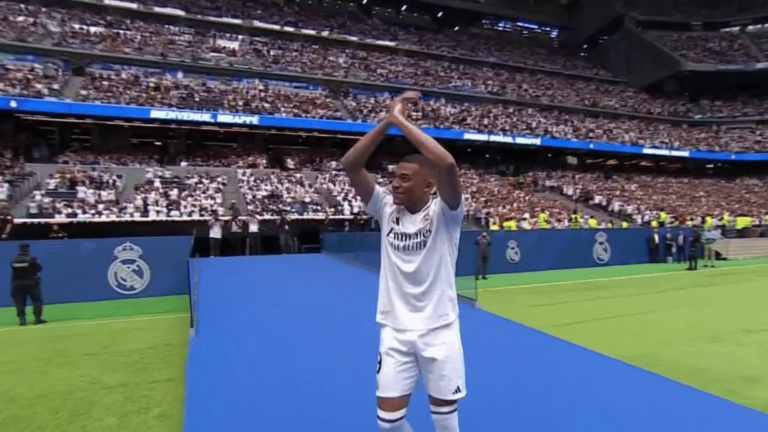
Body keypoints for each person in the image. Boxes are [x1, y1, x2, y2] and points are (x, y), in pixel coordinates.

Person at [342, 91, 465, 432]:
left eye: (404, 178)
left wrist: (403, 122)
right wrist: (386, 121)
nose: (394, 183)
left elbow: (448, 165)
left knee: (445, 424)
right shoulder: (384, 207)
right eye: (393, 177)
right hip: (394, 330)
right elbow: (351, 165)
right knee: (388, 424)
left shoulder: (446, 213)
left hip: (439, 330)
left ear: (429, 185)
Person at [10, 243, 45, 326]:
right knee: (36, 300)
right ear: (27, 249)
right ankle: (37, 318)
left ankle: (22, 319)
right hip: (31, 283)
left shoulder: (14, 260)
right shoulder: (32, 259)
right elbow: (39, 268)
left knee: (19, 302)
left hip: (17, 283)